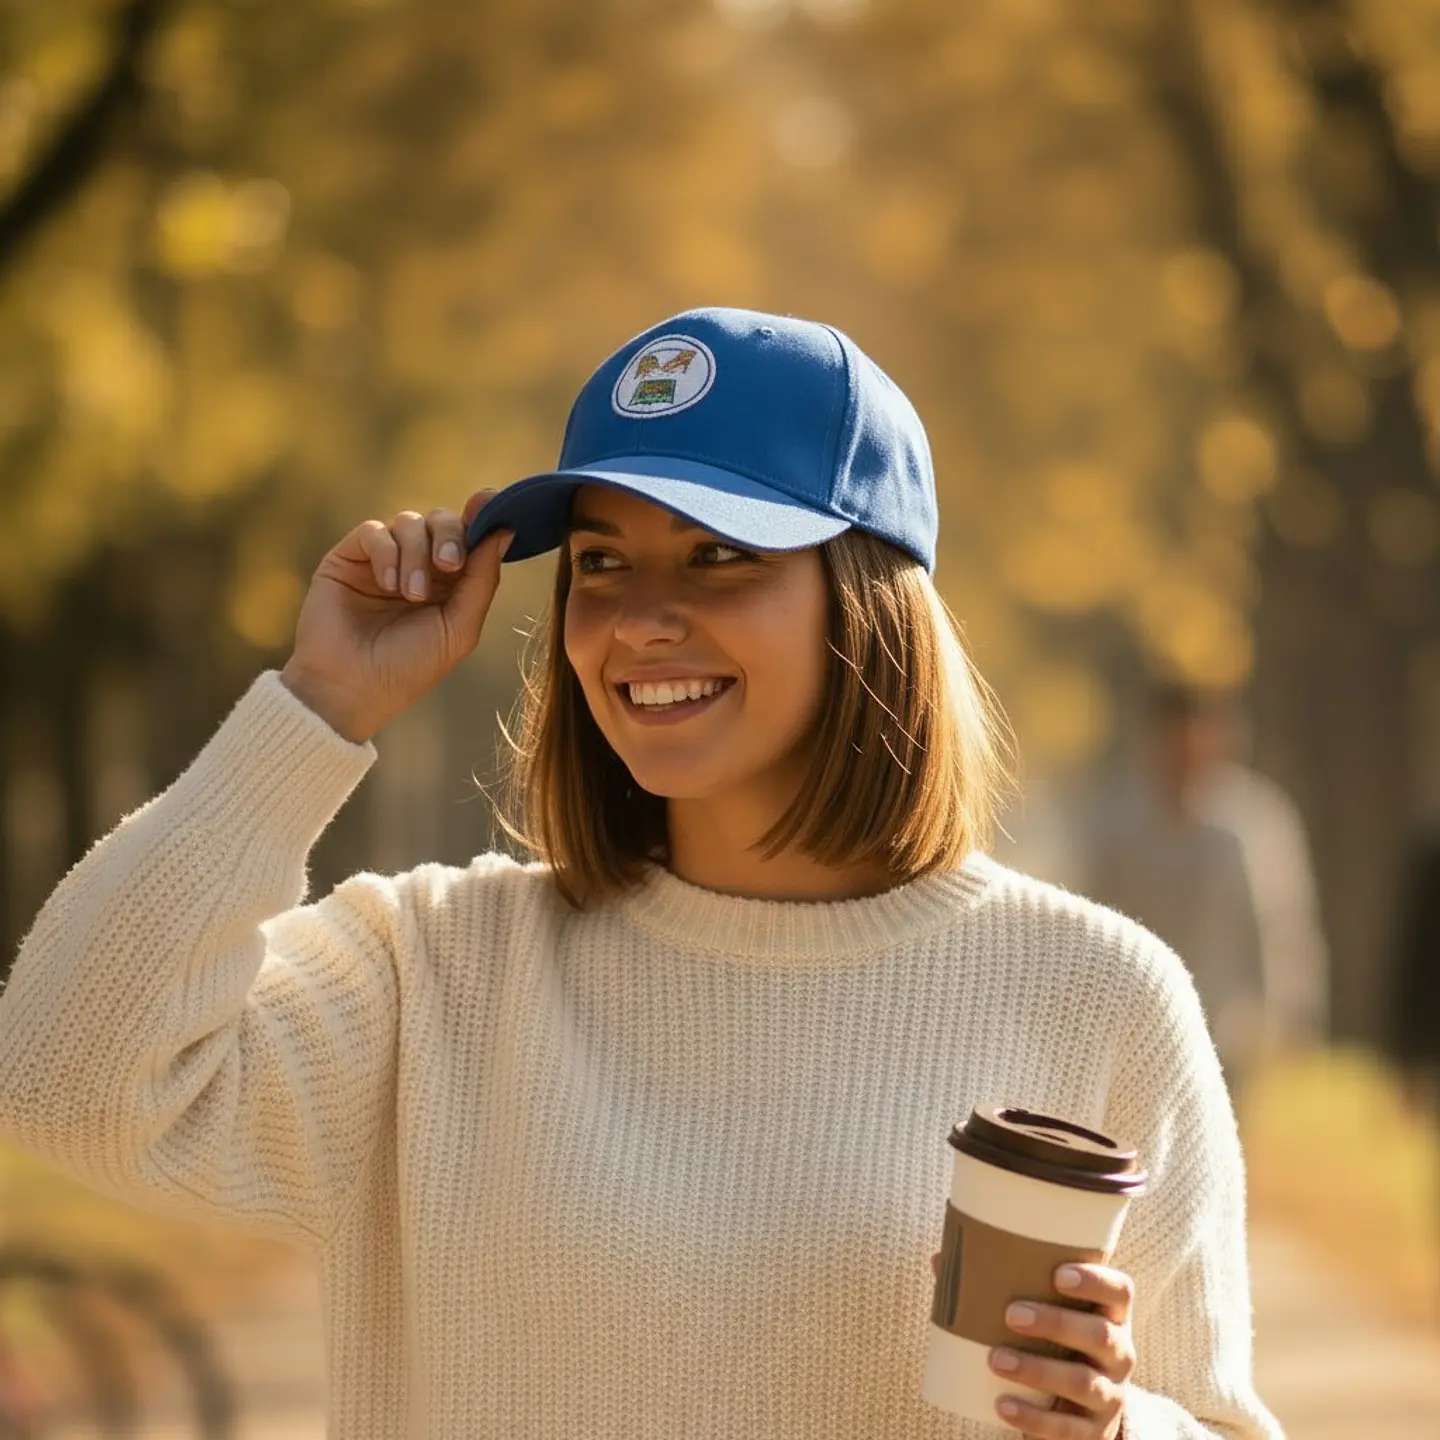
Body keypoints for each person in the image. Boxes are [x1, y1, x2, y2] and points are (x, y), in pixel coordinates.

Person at [0, 308, 1280, 1439]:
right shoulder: (434, 969)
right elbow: (64, 1079)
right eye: (601, 563)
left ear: (866, 600)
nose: (638, 617)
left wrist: (1117, 1428)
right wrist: (318, 706)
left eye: (719, 553)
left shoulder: (1097, 994)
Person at [1082, 684, 1269, 1105]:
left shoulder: (1247, 827)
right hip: (1135, 1021)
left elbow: (1272, 925)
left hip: (1223, 1025)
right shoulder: (1115, 824)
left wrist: (1284, 1014)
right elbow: (1093, 916)